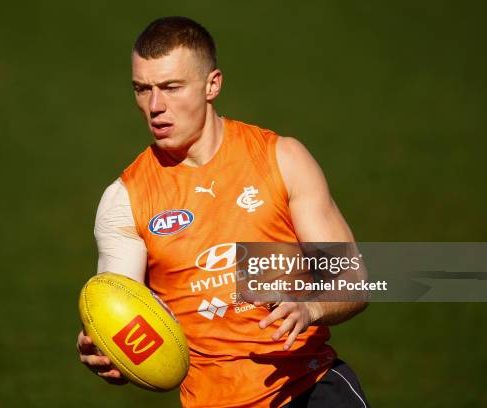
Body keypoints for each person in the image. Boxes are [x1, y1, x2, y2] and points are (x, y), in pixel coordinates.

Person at [77, 16, 370, 408]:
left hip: (310, 388)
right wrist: (108, 349)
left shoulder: (281, 159)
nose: (156, 106)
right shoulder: (124, 200)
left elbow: (353, 277)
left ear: (212, 84)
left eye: (171, 87)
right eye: (142, 90)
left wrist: (311, 307)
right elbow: (120, 307)